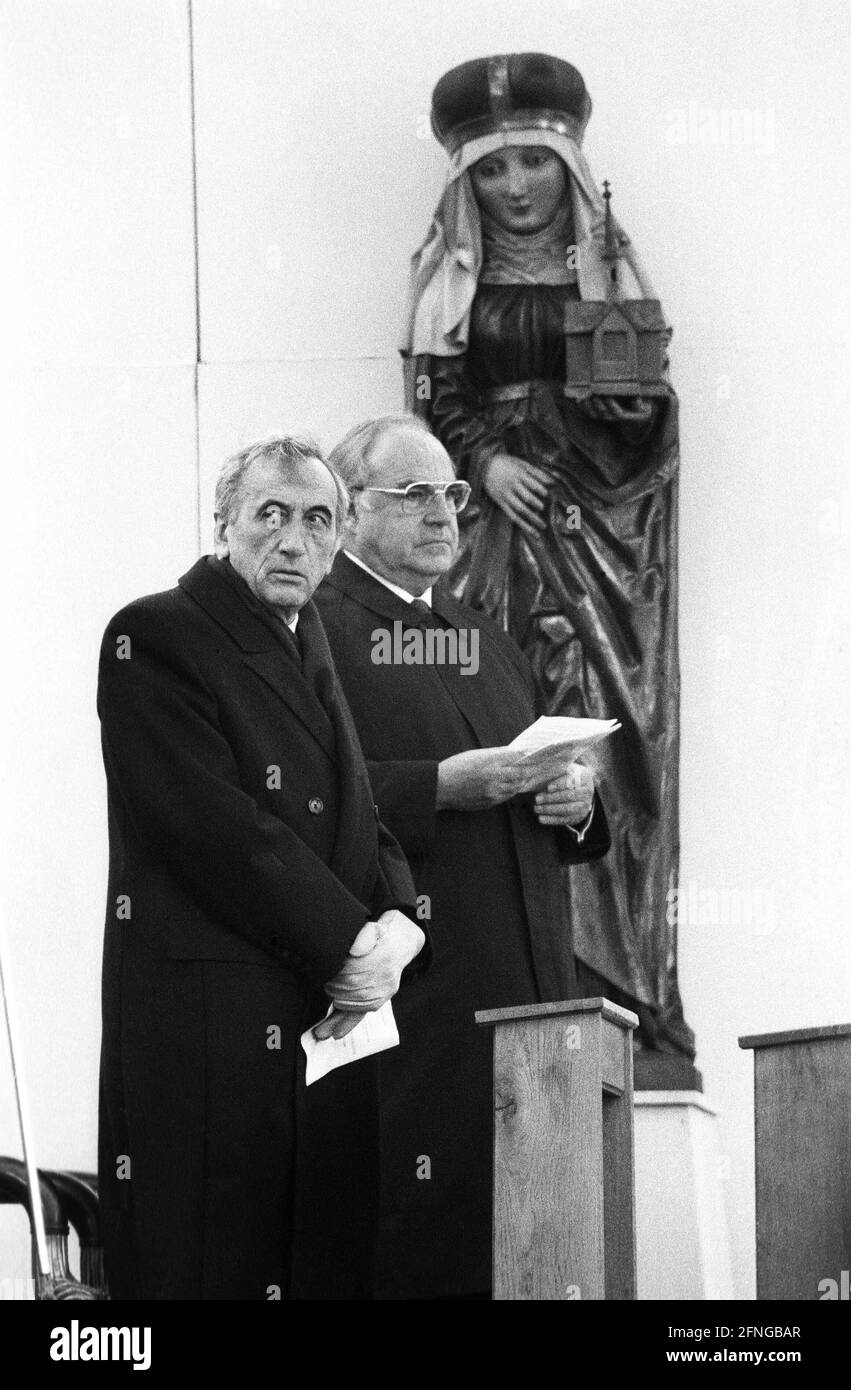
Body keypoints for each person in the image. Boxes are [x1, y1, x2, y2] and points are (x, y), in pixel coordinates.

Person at [402, 52, 695, 1080]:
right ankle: (511, 978)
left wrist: (614, 424)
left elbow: (643, 424)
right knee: (494, 725)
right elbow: (433, 402)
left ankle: (622, 987)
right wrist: (484, 461)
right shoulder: (447, 283)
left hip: (602, 542)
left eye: (532, 162)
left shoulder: (609, 277)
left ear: (564, 170)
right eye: (492, 170)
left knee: (611, 733)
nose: (515, 187)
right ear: (466, 185)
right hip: (490, 537)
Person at [96, 434, 426, 1300]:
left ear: (339, 538)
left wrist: (401, 922)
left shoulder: (306, 636)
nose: (292, 540)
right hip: (211, 1022)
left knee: (315, 1261)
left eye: (317, 520)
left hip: (320, 1019)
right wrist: (352, 945)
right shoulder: (154, 633)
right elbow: (216, 829)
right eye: (269, 515)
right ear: (225, 524)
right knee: (215, 1262)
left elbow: (358, 809)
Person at [314, 413, 610, 1299]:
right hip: (419, 1004)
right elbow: (294, 796)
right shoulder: (315, 631)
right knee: (427, 1245)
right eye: (411, 496)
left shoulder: (485, 639)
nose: (442, 514)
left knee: (533, 1245)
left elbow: (546, 796)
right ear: (349, 510)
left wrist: (575, 802)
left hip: (532, 995)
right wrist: (437, 786)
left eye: (449, 493)